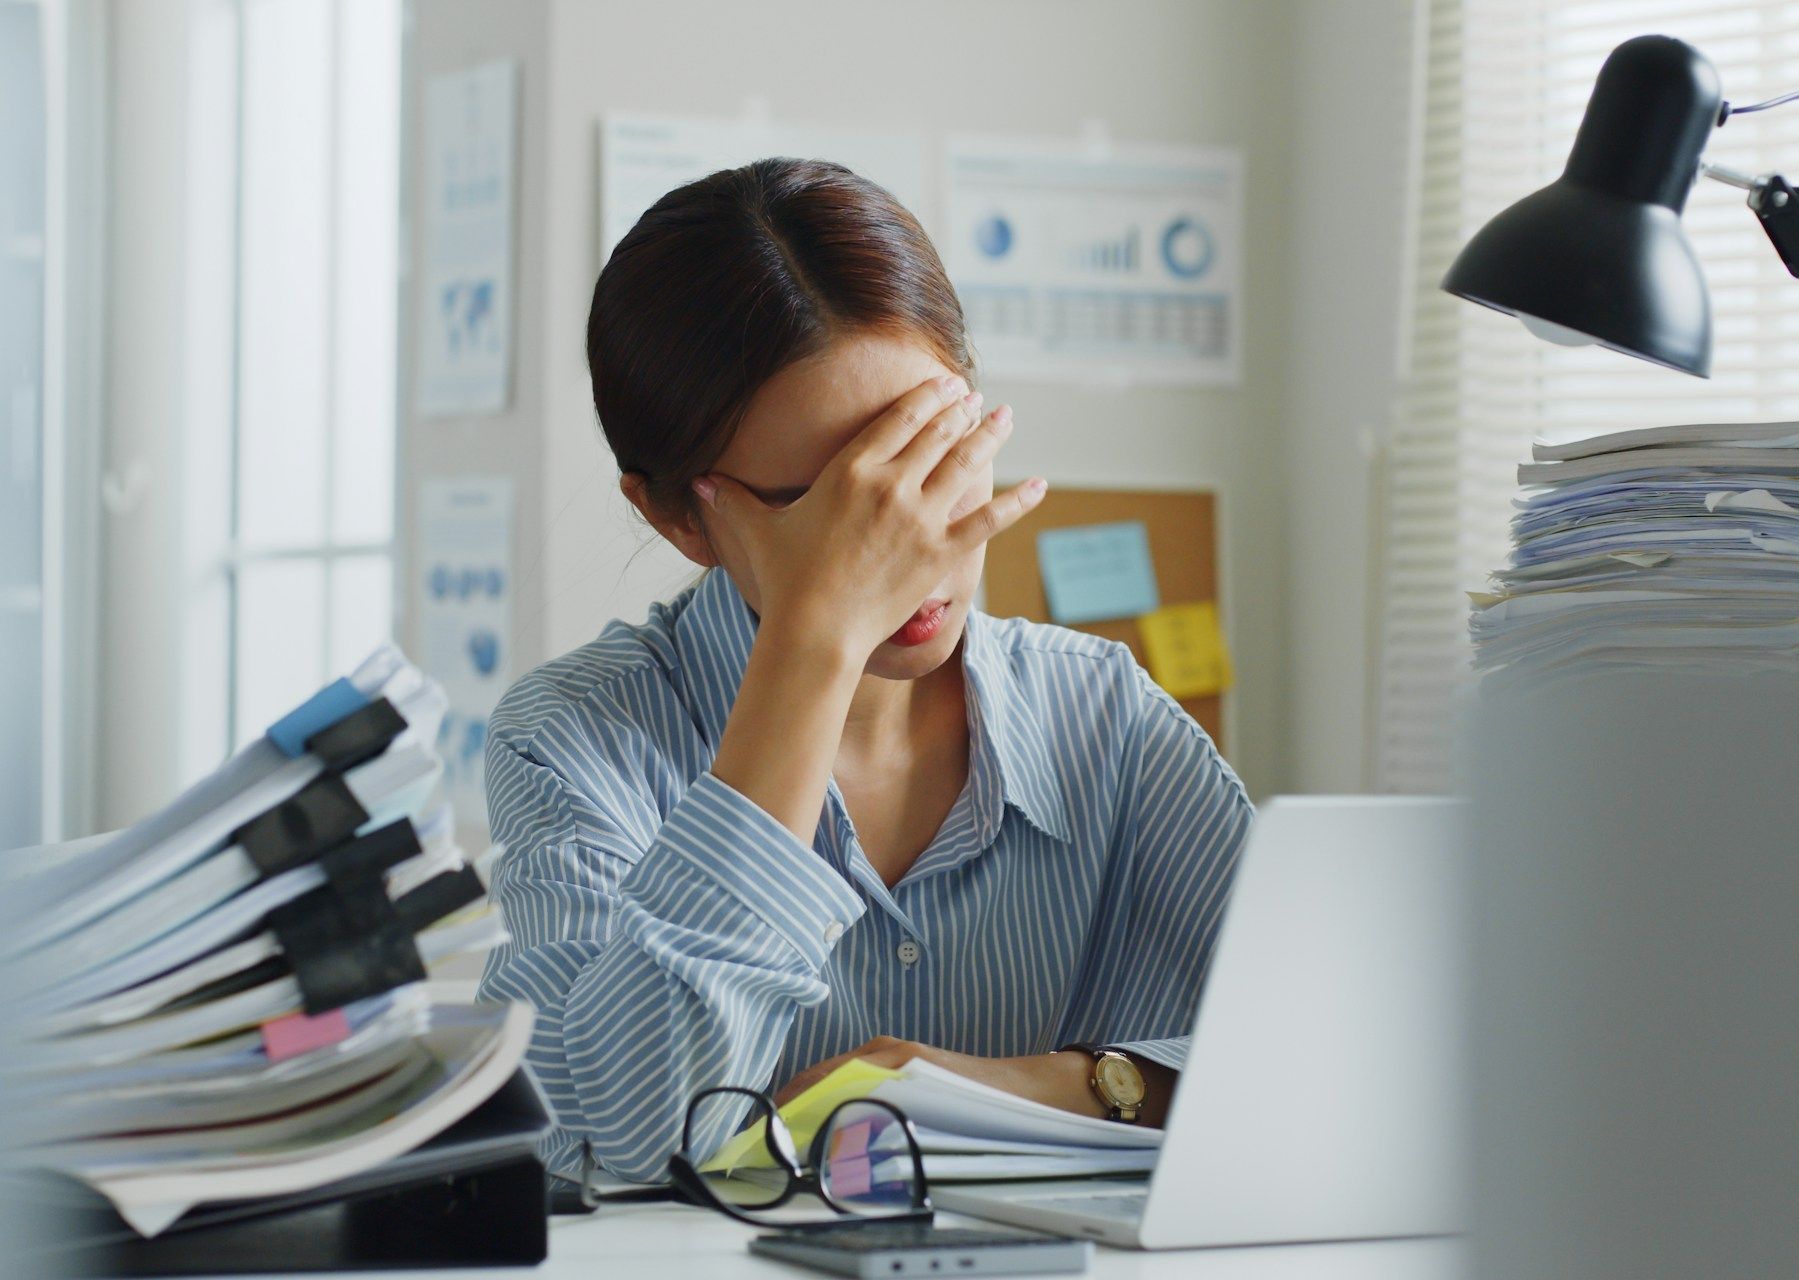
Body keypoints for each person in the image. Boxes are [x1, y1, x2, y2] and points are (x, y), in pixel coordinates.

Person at [478, 158, 1253, 1182]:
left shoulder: (1104, 715)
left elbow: (1341, 1059)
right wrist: (815, 640)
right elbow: (621, 1130)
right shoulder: (575, 737)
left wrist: (1015, 1082)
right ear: (677, 515)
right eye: (827, 503)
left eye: (933, 453)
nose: (910, 536)